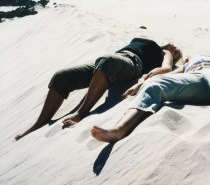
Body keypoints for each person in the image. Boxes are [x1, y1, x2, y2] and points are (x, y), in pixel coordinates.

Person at [15, 38, 182, 141]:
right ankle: (40, 122)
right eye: (173, 47)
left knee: (107, 60)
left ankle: (81, 112)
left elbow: (167, 68)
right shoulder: (148, 42)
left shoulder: (164, 52)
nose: (174, 47)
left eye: (177, 51)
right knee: (61, 77)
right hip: (107, 62)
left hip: (130, 64)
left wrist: (160, 67)